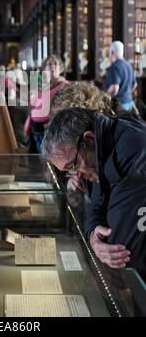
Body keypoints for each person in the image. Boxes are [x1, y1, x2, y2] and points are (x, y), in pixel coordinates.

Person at [41, 107, 146, 280]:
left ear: (89, 139)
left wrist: (102, 245)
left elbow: (121, 248)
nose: (77, 176)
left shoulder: (134, 151)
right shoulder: (101, 151)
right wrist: (92, 235)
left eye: (73, 166)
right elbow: (96, 206)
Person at [25, 55, 68, 153]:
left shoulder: (65, 85)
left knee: (47, 160)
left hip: (51, 130)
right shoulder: (43, 85)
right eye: (49, 64)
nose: (52, 66)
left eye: (55, 64)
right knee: (35, 161)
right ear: (44, 69)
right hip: (35, 129)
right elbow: (32, 103)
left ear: (60, 68)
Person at [104, 41, 137, 111]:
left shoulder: (115, 66)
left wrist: (104, 98)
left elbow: (115, 88)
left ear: (112, 52)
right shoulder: (129, 65)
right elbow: (134, 84)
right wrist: (126, 94)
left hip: (119, 104)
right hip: (129, 103)